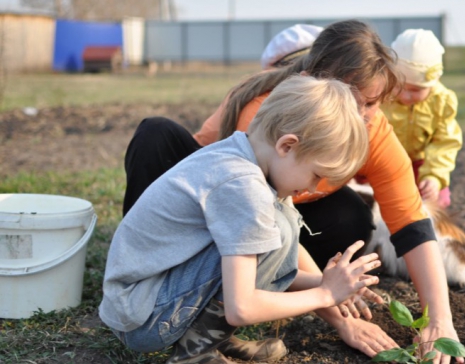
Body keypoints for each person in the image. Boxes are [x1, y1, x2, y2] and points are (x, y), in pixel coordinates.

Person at [123, 20, 464, 364]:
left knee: (348, 217)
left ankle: (207, 336)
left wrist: (440, 321)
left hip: (267, 217)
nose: (360, 118)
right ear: (312, 85)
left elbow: (412, 224)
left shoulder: (371, 132)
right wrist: (333, 307)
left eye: (371, 105)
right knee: (158, 135)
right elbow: (259, 231)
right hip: (214, 216)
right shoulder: (268, 117)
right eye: (351, 101)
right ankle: (157, 285)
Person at [99, 76, 382, 364]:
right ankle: (194, 354)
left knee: (278, 229)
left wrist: (328, 282)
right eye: (316, 175)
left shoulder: (244, 154)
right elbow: (242, 307)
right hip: (144, 316)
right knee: (278, 230)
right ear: (287, 145)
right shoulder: (243, 186)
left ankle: (207, 338)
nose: (312, 188)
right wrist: (325, 294)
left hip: (147, 301)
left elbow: (271, 267)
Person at [381, 29, 462, 208]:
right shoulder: (380, 95)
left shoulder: (441, 102)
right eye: (400, 86)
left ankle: (427, 232)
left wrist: (433, 176)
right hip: (381, 164)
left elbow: (444, 143)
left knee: (436, 199)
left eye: (416, 90)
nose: (406, 95)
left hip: (419, 166)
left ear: (433, 82)